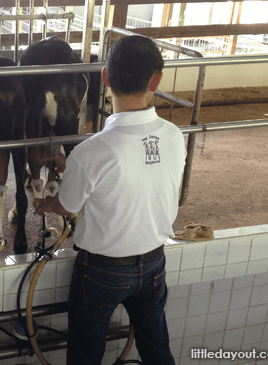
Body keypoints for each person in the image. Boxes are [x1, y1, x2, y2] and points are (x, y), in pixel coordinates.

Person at [33, 35, 186, 365]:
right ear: (156, 81)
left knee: (86, 357)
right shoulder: (175, 137)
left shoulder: (90, 152)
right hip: (155, 265)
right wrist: (73, 168)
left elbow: (68, 206)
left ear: (104, 77)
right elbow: (139, 176)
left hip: (102, 273)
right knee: (157, 349)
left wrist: (47, 204)